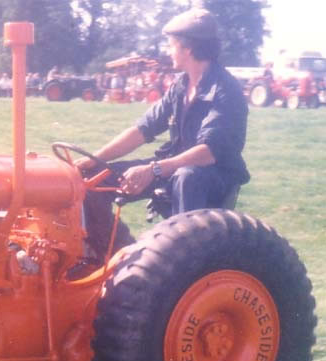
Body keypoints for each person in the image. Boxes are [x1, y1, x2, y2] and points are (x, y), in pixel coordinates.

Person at [76, 8, 250, 254]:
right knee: (93, 182)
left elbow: (209, 153)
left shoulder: (225, 89)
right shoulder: (181, 85)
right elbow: (142, 130)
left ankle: (182, 263)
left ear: (187, 48)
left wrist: (154, 169)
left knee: (187, 177)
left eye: (172, 46)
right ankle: (122, 260)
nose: (169, 52)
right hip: (172, 167)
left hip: (214, 175)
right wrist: (94, 159)